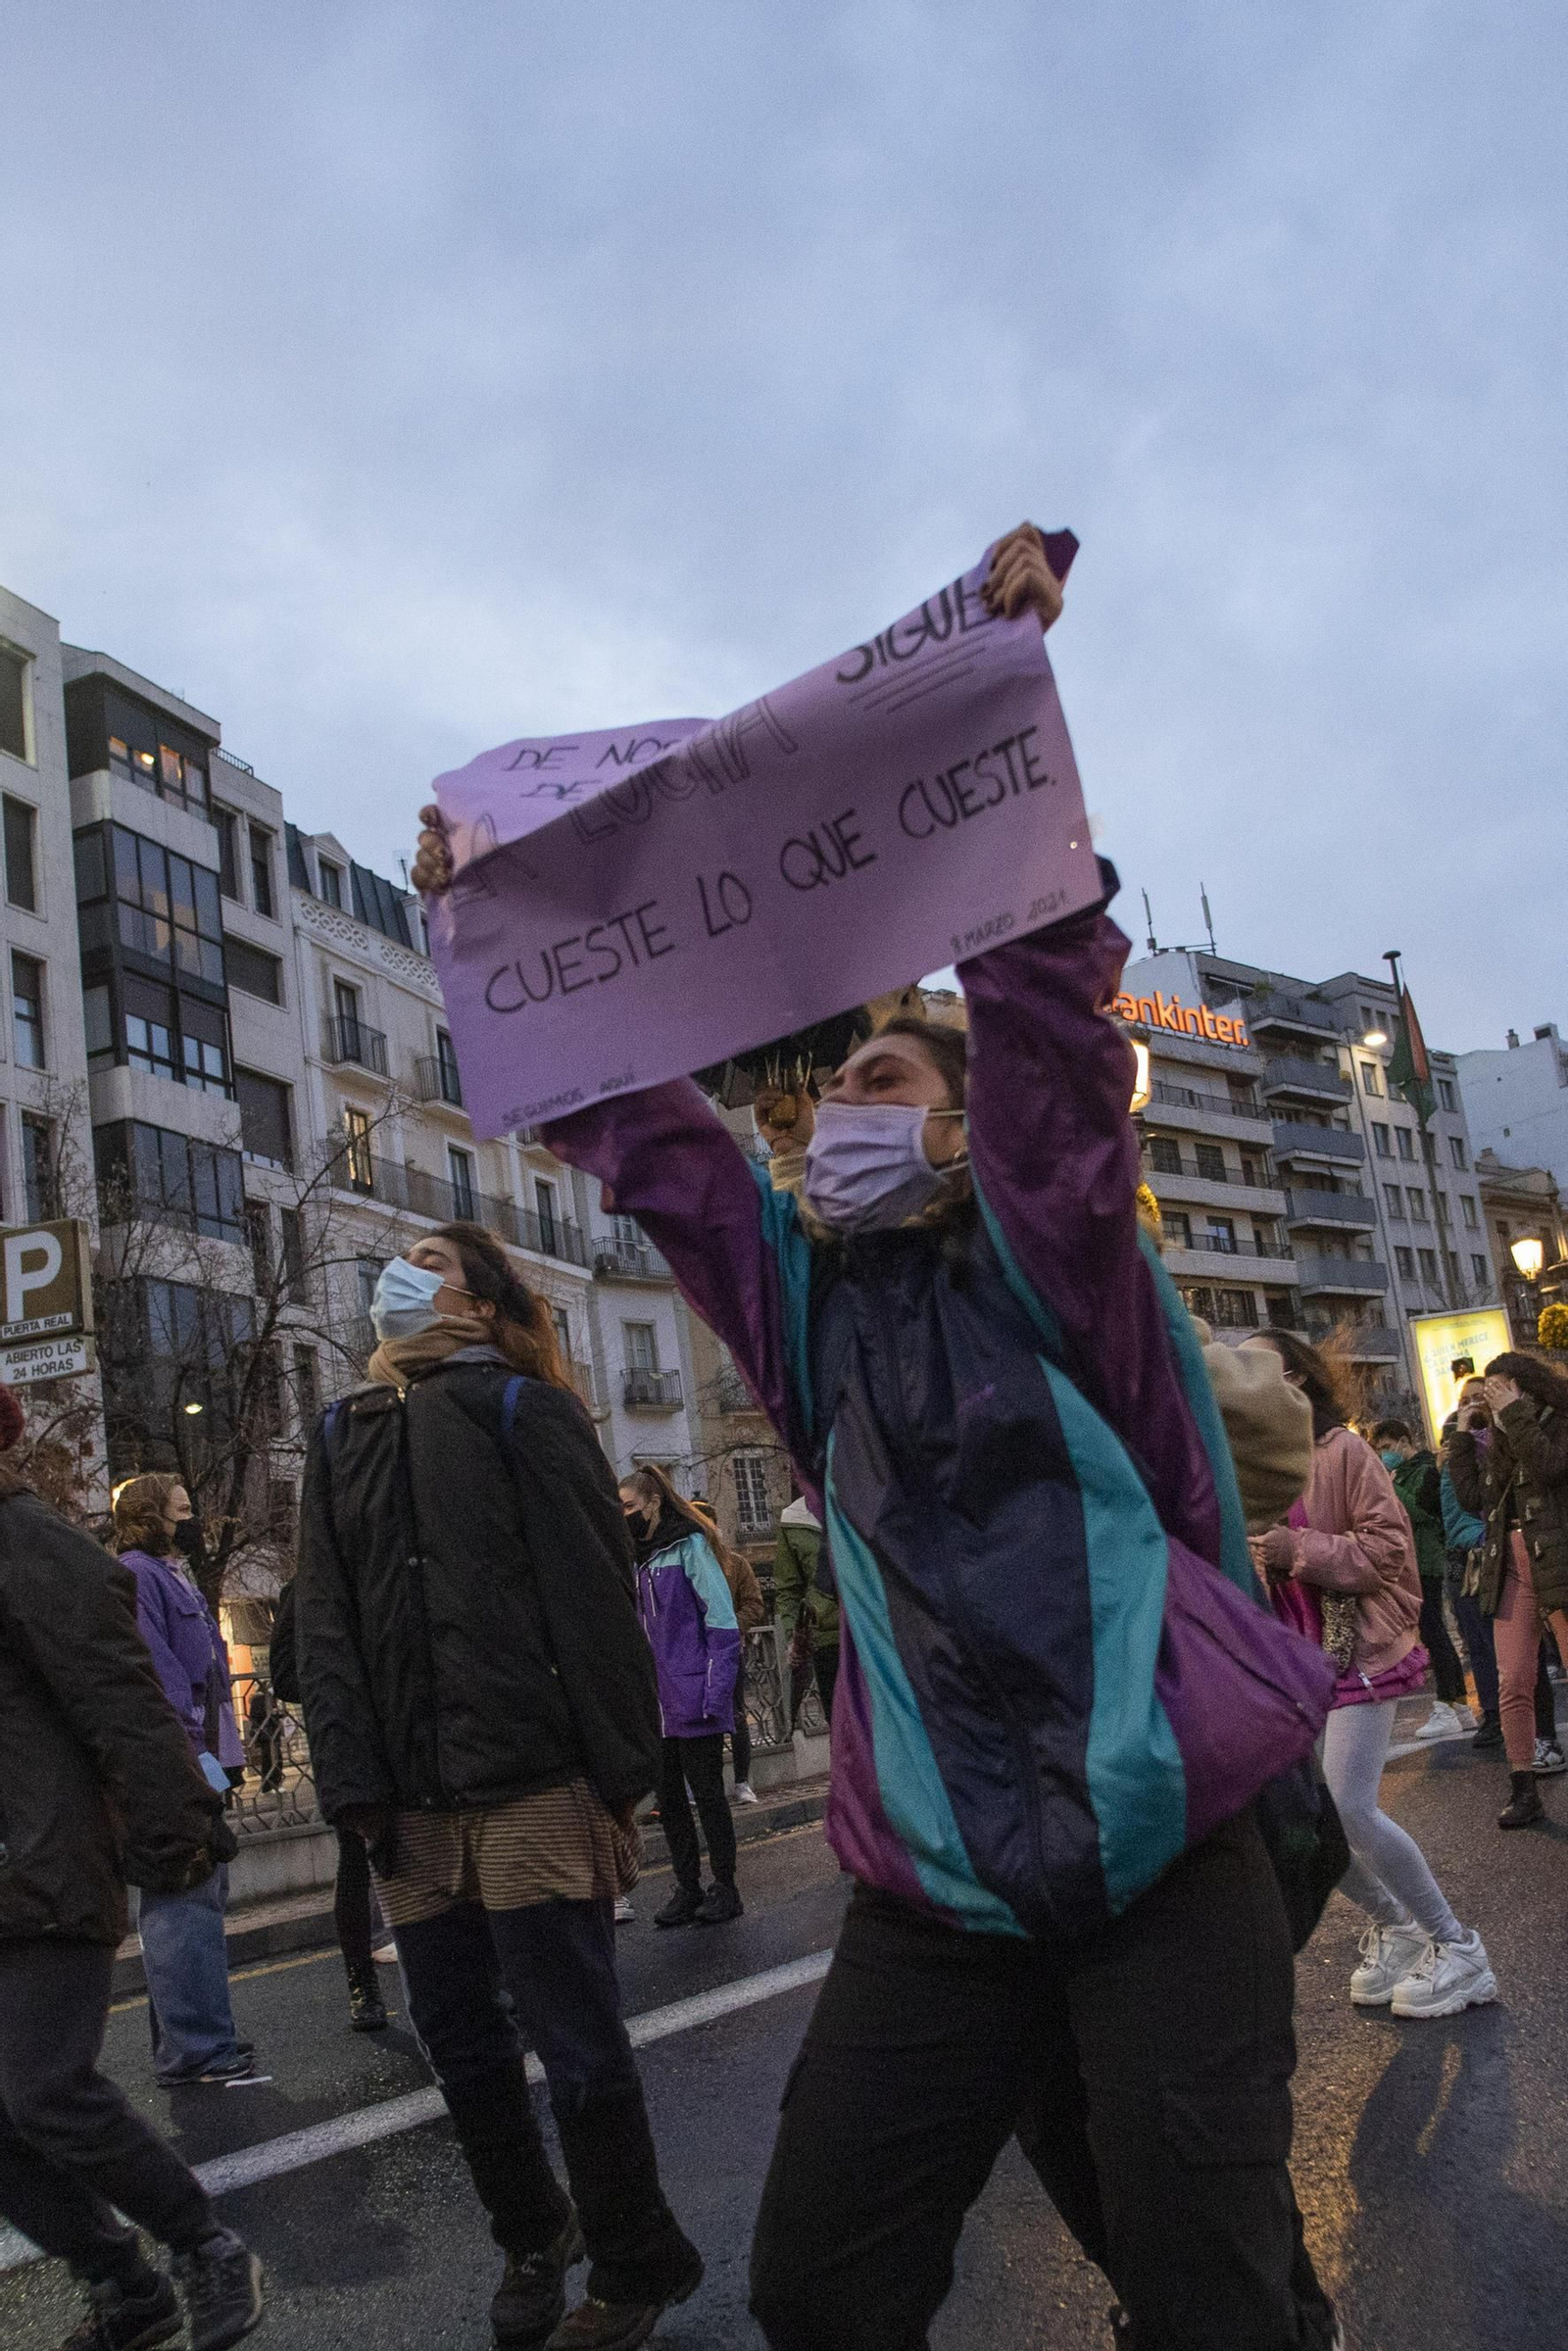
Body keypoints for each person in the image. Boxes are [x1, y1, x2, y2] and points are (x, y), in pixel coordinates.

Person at [416, 521, 1348, 2350]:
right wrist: (485, 915)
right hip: (945, 1886)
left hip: (1167, 1852)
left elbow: (1052, 1033)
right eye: (822, 1087)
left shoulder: (1058, 1248)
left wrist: (983, 711)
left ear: (960, 1125)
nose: (829, 1108)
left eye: (876, 1080)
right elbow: (647, 1131)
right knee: (826, 2281)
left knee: (1212, 2292)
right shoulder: (798, 1292)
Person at [297, 1222, 701, 2351]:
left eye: (430, 1257)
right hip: (409, 1802)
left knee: (576, 2043)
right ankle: (534, 2232)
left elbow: (593, 1600)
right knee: (462, 2042)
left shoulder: (531, 1410)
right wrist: (350, 1783)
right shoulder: (343, 1430)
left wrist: (620, 1778)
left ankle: (632, 2263)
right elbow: (324, 1620)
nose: (401, 1271)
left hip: (534, 1782)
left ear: (483, 1305)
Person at [0, 1385, 266, 2351]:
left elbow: (123, 1695)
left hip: (41, 1860)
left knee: (42, 2090)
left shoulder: (28, 1542)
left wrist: (174, 1825)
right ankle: (125, 2286)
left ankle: (205, 2244)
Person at [1248, 1333, 1495, 2019]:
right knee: (1313, 1820)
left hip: (1358, 1648)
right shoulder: (1255, 1463)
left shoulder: (1344, 1451)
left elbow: (1390, 1549)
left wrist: (1299, 1549)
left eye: (1254, 1361)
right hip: (1295, 1661)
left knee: (1350, 1805)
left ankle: (1458, 1945)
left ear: (1292, 1377)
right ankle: (1398, 1927)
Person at [113, 1475, 256, 2086]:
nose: (193, 1519)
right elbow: (166, 1671)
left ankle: (188, 2041)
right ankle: (198, 2047)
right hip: (182, 1755)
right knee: (185, 1893)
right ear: (152, 1515)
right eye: (182, 1510)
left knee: (200, 1891)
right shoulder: (140, 1575)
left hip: (203, 1750)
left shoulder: (172, 1573)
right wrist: (195, 1754)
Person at [266, 1575, 394, 2030]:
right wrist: (337, 1684)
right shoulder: (306, 1588)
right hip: (348, 1736)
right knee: (355, 1859)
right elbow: (283, 1675)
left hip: (403, 1730)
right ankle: (362, 1984)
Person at [1446, 1350, 1568, 1829]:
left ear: (1528, 1388)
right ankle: (1523, 1788)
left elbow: (1552, 1469)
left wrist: (1513, 1414)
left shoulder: (1557, 1422)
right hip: (1511, 1564)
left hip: (1557, 1561)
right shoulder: (1499, 1434)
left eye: (1499, 1388)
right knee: (1513, 1679)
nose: (1490, 1398)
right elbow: (1474, 1498)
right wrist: (1461, 1439)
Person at [617, 1467, 745, 1924]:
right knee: (669, 1801)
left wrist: (715, 1692)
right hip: (657, 1705)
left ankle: (725, 1887)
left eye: (629, 1506)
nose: (624, 1515)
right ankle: (687, 1887)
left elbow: (722, 1623)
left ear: (652, 1503)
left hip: (694, 1694)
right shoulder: (634, 1558)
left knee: (709, 1796)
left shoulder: (688, 1546)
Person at [1371, 1418, 1474, 1740]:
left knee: (1433, 1632)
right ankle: (1458, 1705)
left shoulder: (1426, 1469)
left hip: (1426, 1560)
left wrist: (1390, 1486)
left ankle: (1446, 1703)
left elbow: (1424, 1511)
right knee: (1434, 1632)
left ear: (1403, 1441)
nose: (1384, 1454)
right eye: (1380, 1450)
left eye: (1387, 1447)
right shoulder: (1404, 1472)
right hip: (1411, 1561)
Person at [692, 1494, 765, 1803]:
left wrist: (732, 1626)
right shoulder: (688, 1562)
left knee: (736, 1717)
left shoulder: (735, 1564)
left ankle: (741, 1781)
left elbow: (754, 1602)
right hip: (695, 1655)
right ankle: (699, 1786)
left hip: (729, 1651)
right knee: (697, 1719)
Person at [773, 1495, 839, 1727]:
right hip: (828, 1638)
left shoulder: (863, 1497)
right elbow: (789, 1589)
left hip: (874, 1633)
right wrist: (795, 1635)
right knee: (840, 1723)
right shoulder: (794, 1519)